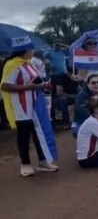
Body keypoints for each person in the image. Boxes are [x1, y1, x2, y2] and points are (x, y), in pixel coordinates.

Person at [1, 36, 59, 177]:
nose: (33, 51)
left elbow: (34, 80)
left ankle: (43, 161)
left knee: (38, 134)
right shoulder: (12, 65)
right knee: (24, 135)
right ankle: (25, 164)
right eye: (31, 48)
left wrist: (42, 84)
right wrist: (30, 86)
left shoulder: (28, 63)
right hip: (21, 106)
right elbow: (5, 85)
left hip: (34, 104)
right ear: (25, 50)